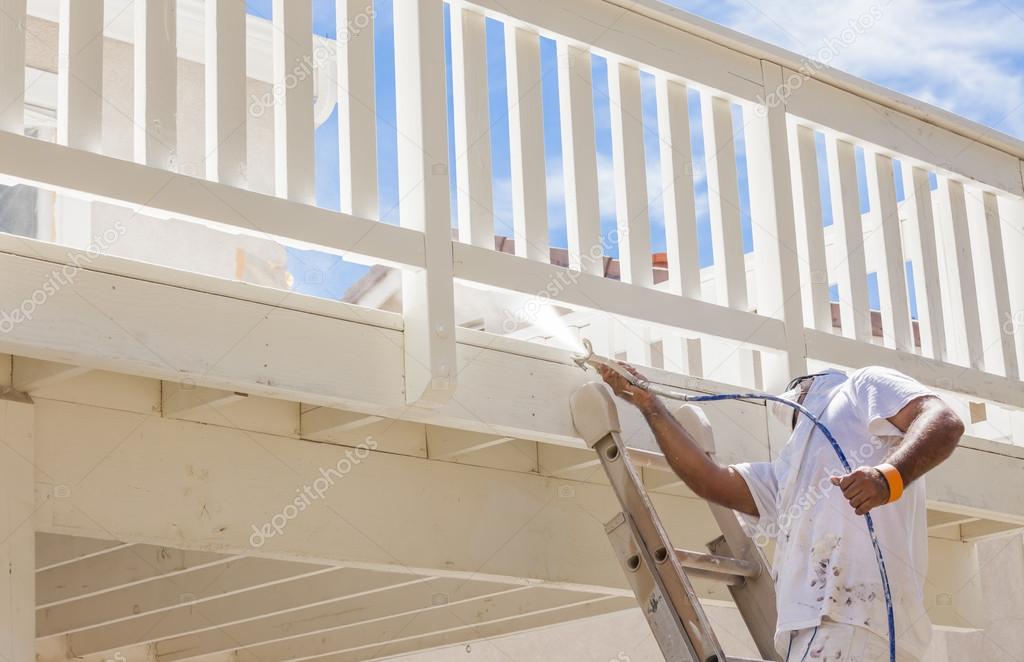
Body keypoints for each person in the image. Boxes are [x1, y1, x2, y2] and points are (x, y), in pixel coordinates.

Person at [598, 363, 964, 662]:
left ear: (806, 388)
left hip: (855, 625)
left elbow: (943, 420)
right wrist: (650, 404)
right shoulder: (788, 474)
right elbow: (710, 480)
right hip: (818, 634)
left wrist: (888, 478)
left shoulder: (859, 386)